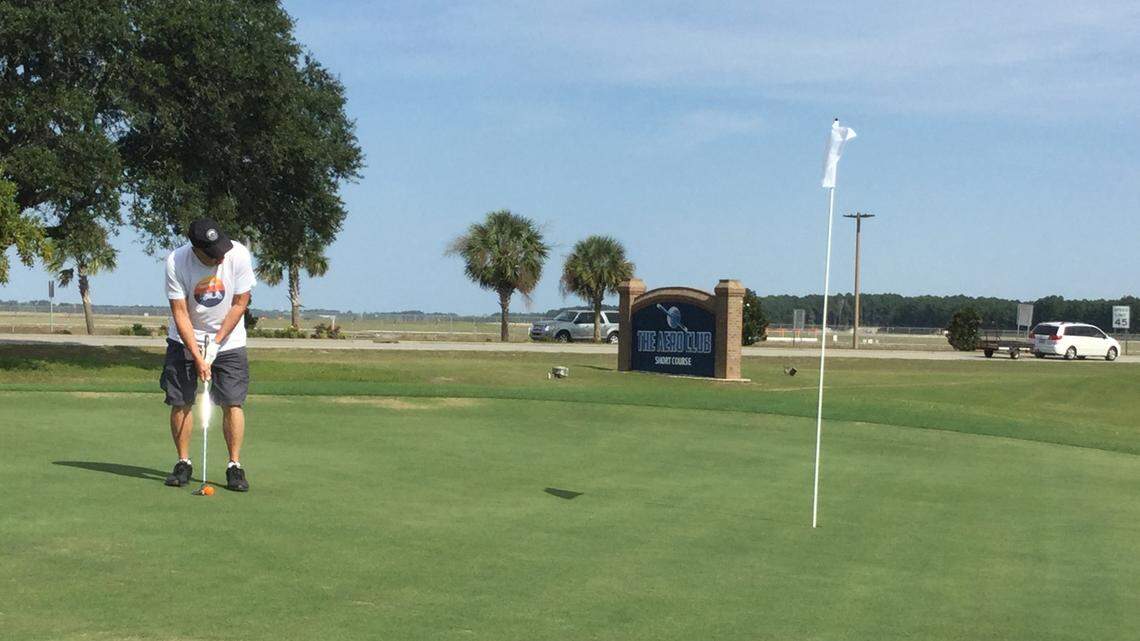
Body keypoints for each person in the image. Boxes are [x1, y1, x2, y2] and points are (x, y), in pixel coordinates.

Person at [160, 218, 255, 491]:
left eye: (221, 250)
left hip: (230, 341)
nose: (219, 257)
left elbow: (240, 304)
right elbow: (180, 312)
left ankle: (234, 466)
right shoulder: (176, 262)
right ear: (196, 249)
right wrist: (198, 355)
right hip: (185, 339)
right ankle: (183, 462)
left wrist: (215, 344)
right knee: (181, 401)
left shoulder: (237, 255)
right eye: (212, 254)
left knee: (232, 402)